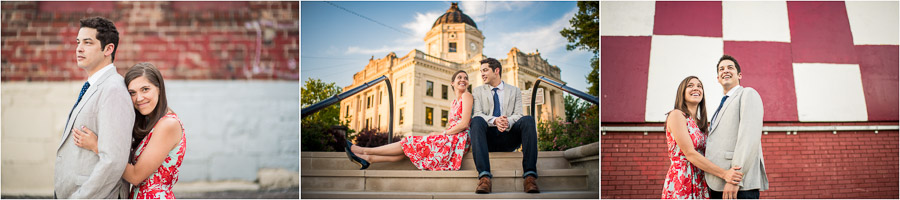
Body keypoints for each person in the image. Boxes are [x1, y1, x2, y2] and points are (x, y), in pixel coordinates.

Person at [74, 63, 186, 199]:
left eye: (145, 89)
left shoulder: (168, 124)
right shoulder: (149, 121)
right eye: (132, 93)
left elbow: (135, 176)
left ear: (159, 89)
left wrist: (97, 146)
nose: (138, 98)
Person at [54, 16, 135, 199]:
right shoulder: (94, 85)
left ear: (108, 49)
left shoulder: (113, 89)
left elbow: (113, 161)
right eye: (78, 42)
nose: (79, 48)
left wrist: (80, 197)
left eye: (88, 43)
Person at [343, 70, 473, 171]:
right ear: (452, 83)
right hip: (452, 137)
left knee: (408, 142)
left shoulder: (467, 96)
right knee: (408, 150)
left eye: (465, 78)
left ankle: (365, 151)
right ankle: (368, 159)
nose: (463, 80)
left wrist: (442, 134)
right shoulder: (453, 102)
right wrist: (442, 134)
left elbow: (464, 123)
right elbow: (453, 125)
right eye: (459, 78)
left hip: (460, 139)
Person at [662, 76, 744, 199]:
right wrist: (724, 174)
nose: (696, 88)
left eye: (699, 86)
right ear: (682, 92)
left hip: (702, 179)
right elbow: (690, 153)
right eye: (690, 85)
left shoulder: (701, 124)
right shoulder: (677, 115)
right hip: (683, 179)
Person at [469, 58, 540, 194]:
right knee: (476, 120)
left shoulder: (515, 91)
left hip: (509, 136)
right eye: (481, 71)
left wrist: (507, 121)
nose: (482, 74)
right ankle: (484, 177)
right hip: (488, 138)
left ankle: (530, 177)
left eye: (485, 70)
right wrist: (495, 120)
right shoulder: (478, 91)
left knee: (528, 119)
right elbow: (478, 113)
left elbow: (518, 114)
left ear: (496, 71)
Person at [705, 55, 768, 199]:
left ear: (739, 75)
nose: (725, 71)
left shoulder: (747, 94)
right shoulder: (720, 105)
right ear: (718, 78)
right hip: (719, 182)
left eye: (730, 68)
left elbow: (748, 138)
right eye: (721, 69)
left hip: (738, 184)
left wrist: (735, 180)